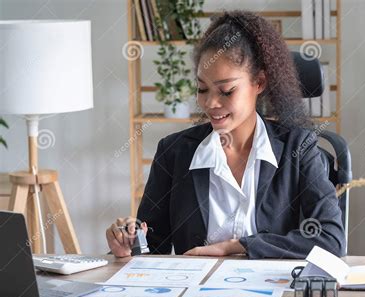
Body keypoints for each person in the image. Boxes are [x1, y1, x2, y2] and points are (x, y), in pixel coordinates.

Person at [106, 10, 345, 259]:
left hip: (269, 292)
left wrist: (238, 246)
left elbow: (330, 238)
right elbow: (152, 246)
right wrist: (129, 245)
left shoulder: (297, 148)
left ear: (260, 82)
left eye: (226, 91)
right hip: (194, 291)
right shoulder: (174, 152)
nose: (210, 103)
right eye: (202, 89)